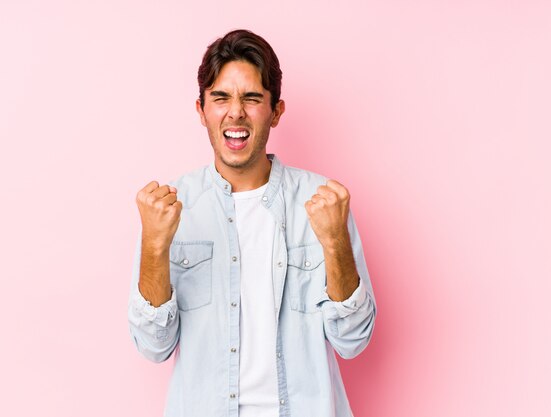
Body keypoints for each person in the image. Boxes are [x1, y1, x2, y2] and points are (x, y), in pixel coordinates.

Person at [128, 29, 377, 417]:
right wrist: (155, 247)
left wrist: (335, 243)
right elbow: (153, 344)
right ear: (201, 110)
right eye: (221, 97)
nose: (235, 112)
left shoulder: (322, 202)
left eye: (252, 98)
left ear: (276, 111)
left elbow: (353, 340)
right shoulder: (172, 207)